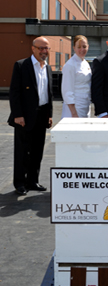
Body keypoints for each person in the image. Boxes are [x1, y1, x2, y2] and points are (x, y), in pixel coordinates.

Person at [8, 36, 53, 195]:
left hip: (42, 115)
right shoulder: (21, 66)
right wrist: (18, 115)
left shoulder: (47, 67)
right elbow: (14, 93)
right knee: (22, 151)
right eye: (41, 48)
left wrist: (49, 114)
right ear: (33, 48)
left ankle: (33, 181)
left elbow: (48, 93)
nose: (44, 51)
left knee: (37, 151)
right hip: (24, 117)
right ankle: (20, 183)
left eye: (46, 48)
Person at [61, 35, 91, 118]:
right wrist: (73, 113)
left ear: (88, 47)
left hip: (86, 105)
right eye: (79, 47)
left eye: (84, 46)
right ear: (74, 48)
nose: (82, 49)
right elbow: (67, 91)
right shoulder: (70, 65)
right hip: (74, 108)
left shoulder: (85, 63)